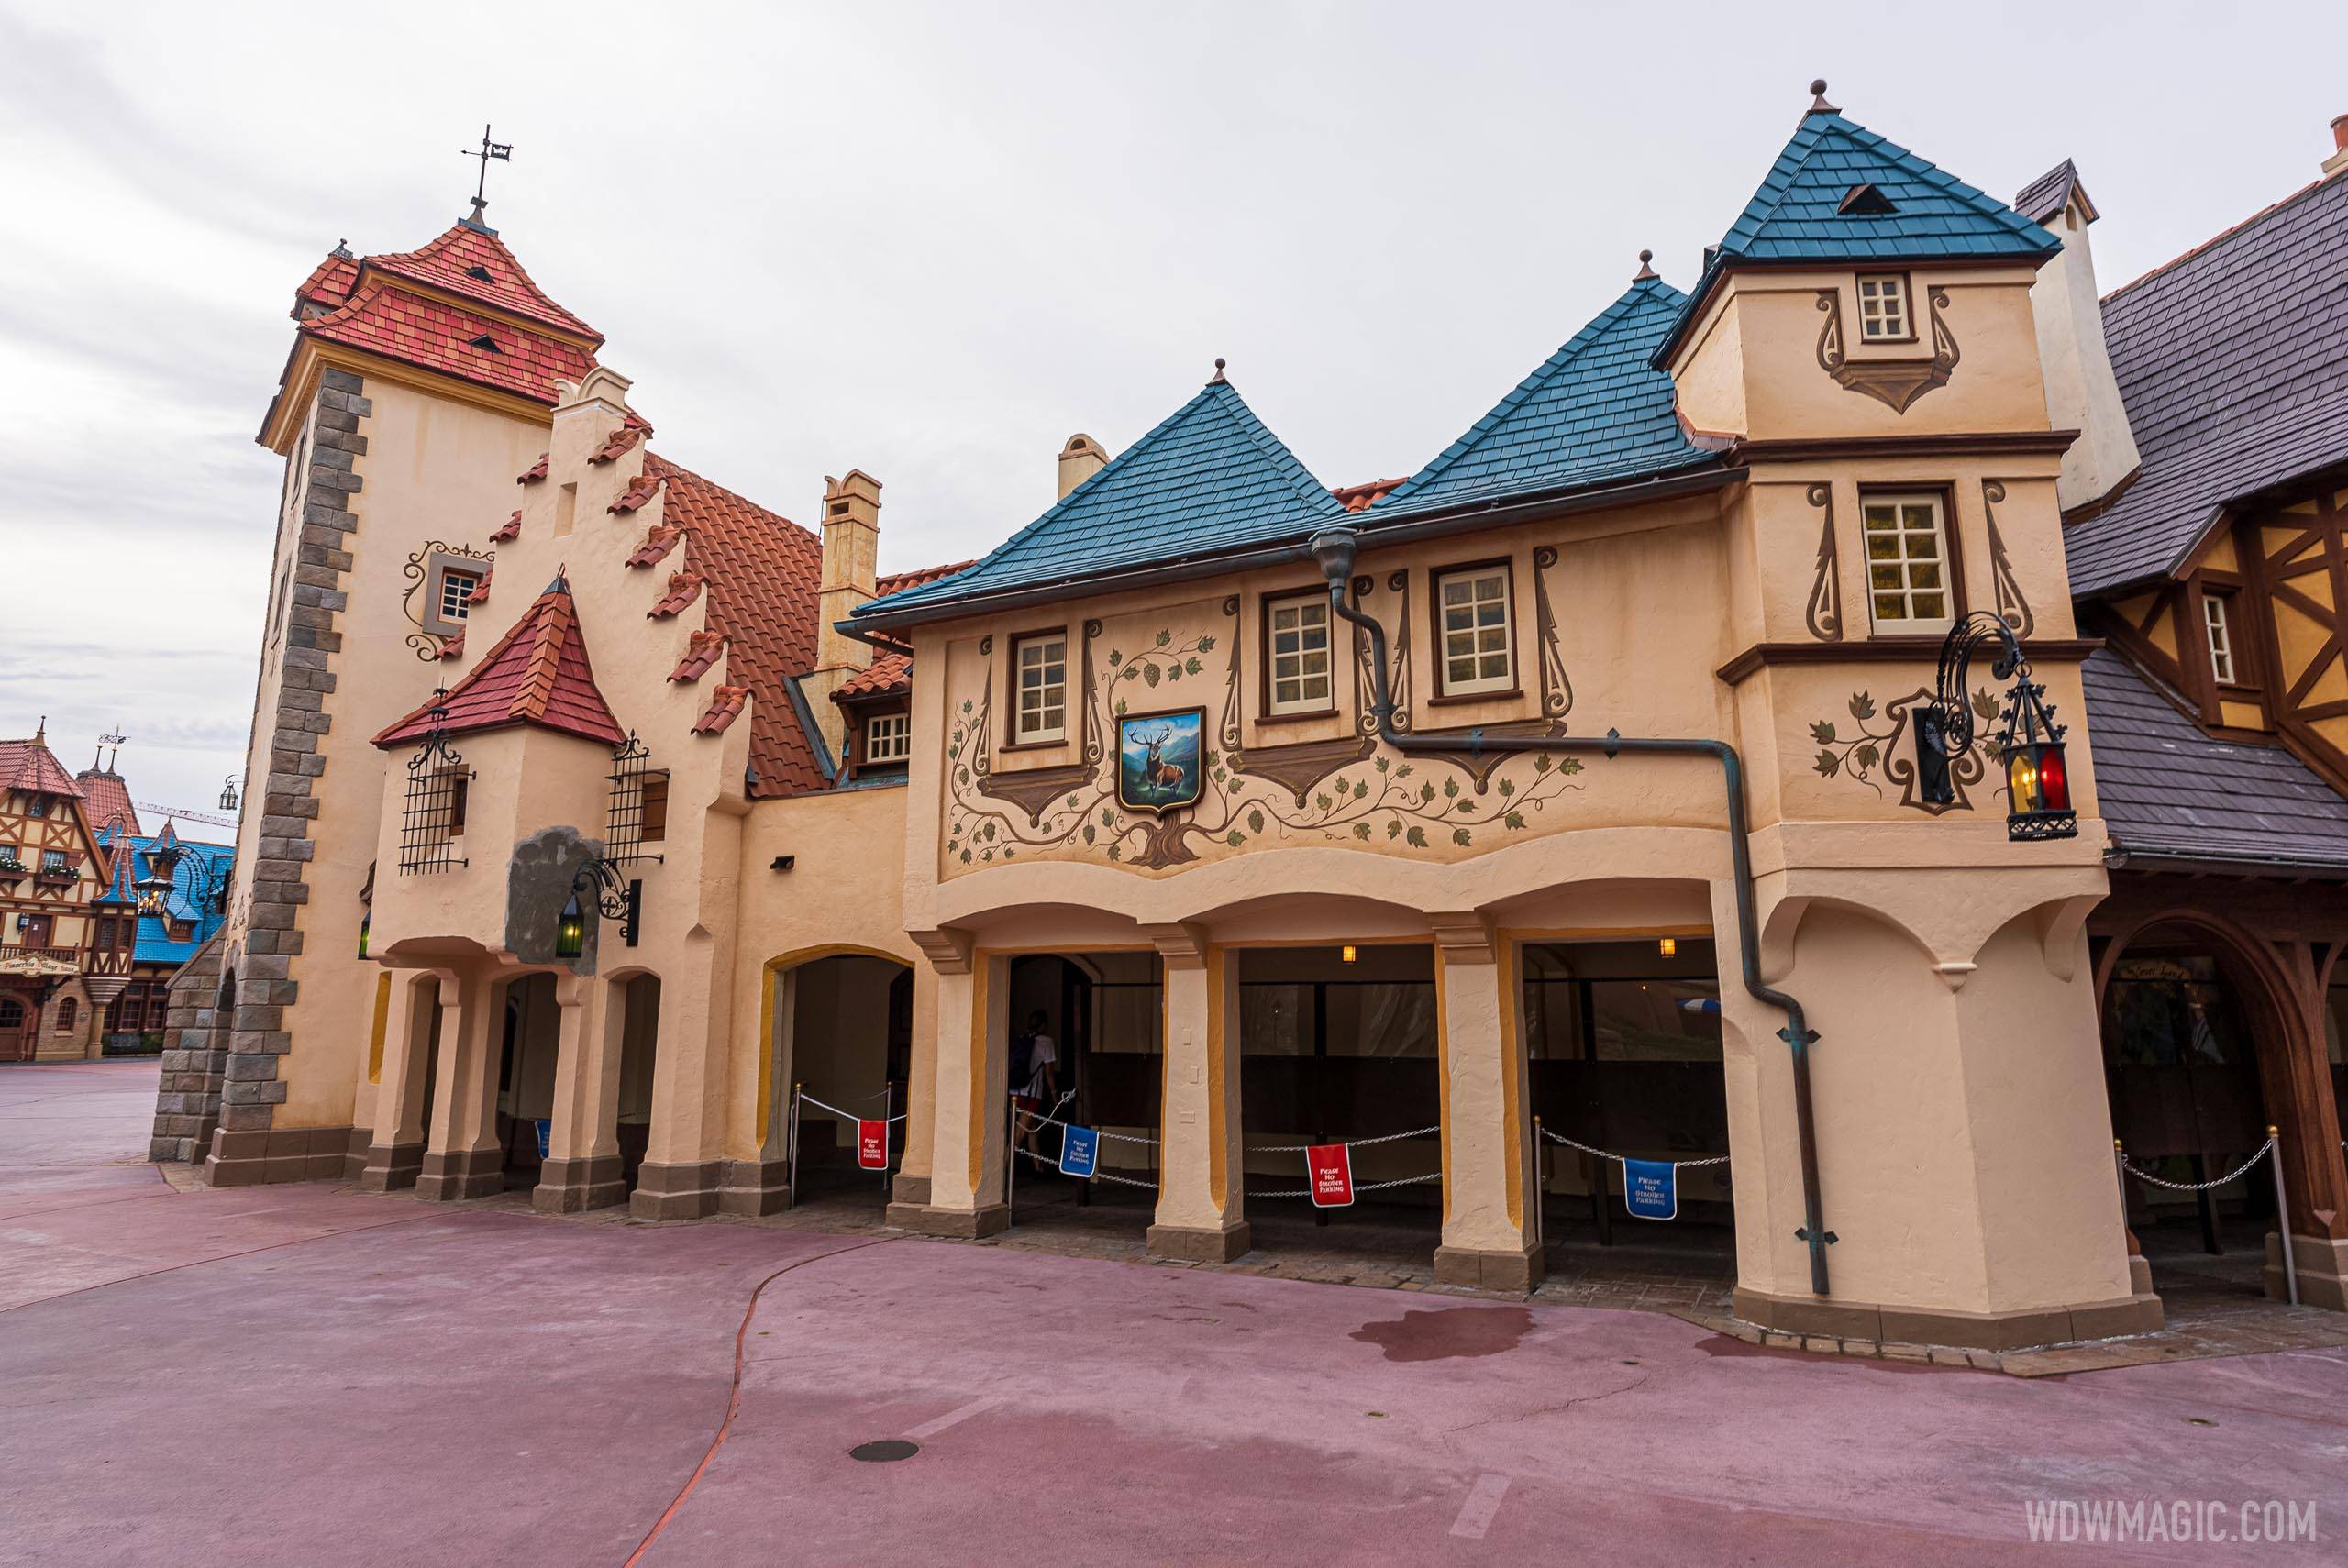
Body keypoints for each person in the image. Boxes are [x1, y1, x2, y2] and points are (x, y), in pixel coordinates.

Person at [1011, 1010, 1058, 1168]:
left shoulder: (1022, 1039)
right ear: (1043, 1025)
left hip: (1015, 1091)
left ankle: (1038, 1166)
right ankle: (1005, 1168)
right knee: (1020, 1133)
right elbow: (1049, 1072)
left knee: (1032, 1128)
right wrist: (1054, 1094)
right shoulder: (1047, 1042)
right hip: (1031, 1094)